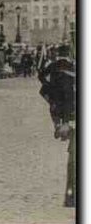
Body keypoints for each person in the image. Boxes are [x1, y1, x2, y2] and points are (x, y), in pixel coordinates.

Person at [39, 44, 76, 208]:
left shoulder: (56, 68)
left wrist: (59, 119)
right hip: (72, 119)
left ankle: (71, 197)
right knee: (74, 161)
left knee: (74, 161)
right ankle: (72, 196)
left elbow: (43, 84)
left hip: (68, 118)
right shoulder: (69, 70)